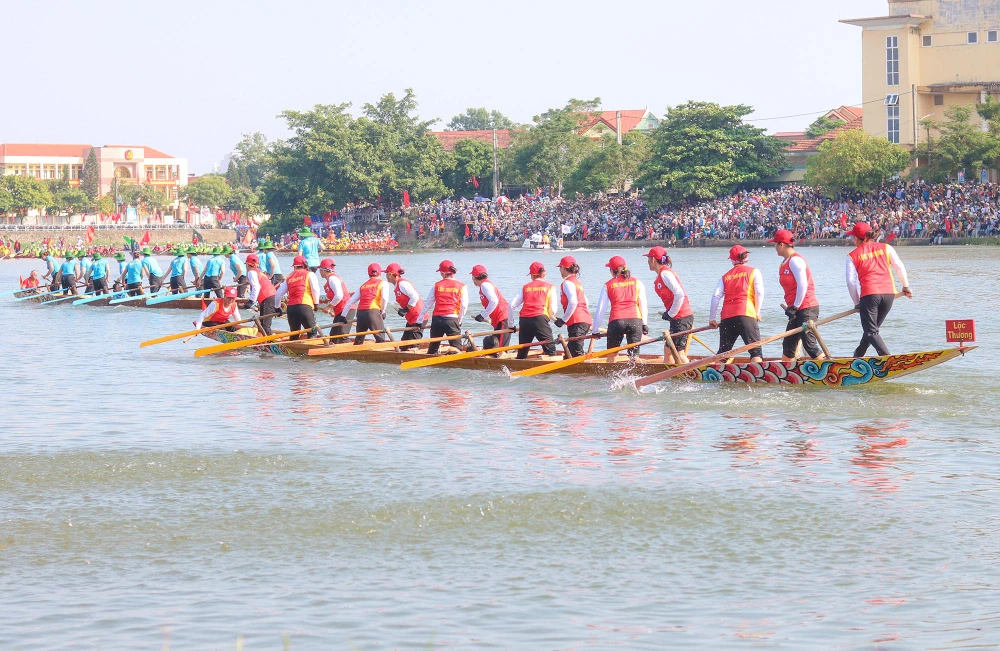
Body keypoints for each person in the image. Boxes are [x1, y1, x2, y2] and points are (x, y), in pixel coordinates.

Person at [845, 221, 912, 357]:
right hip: (889, 295)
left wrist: (857, 302)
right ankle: (858, 356)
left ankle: (888, 359)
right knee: (872, 331)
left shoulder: (852, 256)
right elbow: (899, 266)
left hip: (870, 295)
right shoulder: (886, 247)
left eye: (853, 237)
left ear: (858, 238)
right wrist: (906, 286)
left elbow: (851, 282)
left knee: (871, 332)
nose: (852, 240)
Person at [770, 229, 824, 361]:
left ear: (781, 245)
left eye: (775, 244)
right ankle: (786, 373)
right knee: (788, 345)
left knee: (809, 344)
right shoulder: (784, 263)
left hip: (806, 307)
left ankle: (830, 369)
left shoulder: (795, 261)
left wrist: (795, 306)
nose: (775, 247)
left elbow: (803, 285)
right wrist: (793, 308)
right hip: (796, 309)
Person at [709, 245, 765, 363]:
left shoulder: (725, 276)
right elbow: (759, 292)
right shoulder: (754, 271)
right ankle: (760, 378)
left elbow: (715, 297)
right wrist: (757, 312)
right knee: (755, 351)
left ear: (732, 260)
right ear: (747, 257)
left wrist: (712, 319)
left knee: (723, 353)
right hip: (746, 313)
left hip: (727, 317)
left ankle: (714, 376)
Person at [643, 246, 694, 364]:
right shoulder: (662, 273)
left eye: (648, 259)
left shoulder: (665, 273)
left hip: (682, 317)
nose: (647, 262)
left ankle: (690, 377)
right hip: (679, 317)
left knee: (676, 352)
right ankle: (672, 379)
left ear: (653, 260)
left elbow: (679, 294)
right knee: (669, 350)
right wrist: (669, 313)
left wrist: (670, 313)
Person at [591, 256, 649, 357]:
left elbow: (601, 310)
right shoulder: (637, 282)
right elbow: (643, 304)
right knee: (634, 356)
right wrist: (644, 324)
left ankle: (612, 371)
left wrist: (595, 331)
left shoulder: (607, 285)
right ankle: (636, 370)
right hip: (635, 321)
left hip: (616, 322)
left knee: (611, 355)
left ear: (612, 270)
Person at [417, 260, 468, 354]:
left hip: (437, 320)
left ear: (443, 273)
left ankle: (432, 359)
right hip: (452, 319)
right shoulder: (461, 286)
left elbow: (428, 303)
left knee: (433, 349)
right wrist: (459, 321)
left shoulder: (436, 285)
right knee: (457, 349)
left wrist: (419, 320)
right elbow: (464, 306)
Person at [509, 261, 559, 359]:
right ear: (543, 274)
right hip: (540, 319)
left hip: (524, 320)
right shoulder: (550, 287)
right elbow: (553, 309)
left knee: (522, 351)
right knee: (551, 351)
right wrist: (550, 317)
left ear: (532, 275)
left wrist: (511, 325)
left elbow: (511, 305)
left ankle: (519, 363)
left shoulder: (525, 287)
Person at [341, 262, 393, 344]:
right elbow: (384, 298)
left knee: (359, 340)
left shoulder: (363, 286)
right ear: (380, 273)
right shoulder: (383, 283)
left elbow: (350, 301)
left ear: (368, 274)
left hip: (360, 313)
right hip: (372, 312)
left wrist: (343, 316)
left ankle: (358, 353)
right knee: (380, 338)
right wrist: (383, 311)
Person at [273, 255, 322, 340]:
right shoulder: (310, 274)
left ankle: (293, 348)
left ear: (294, 266)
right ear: (305, 265)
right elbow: (315, 290)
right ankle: (310, 351)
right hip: (304, 306)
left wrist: (277, 308)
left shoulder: (289, 277)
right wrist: (316, 303)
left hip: (291, 308)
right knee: (312, 332)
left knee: (294, 333)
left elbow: (278, 294)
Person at [554, 256, 593, 358]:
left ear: (563, 267)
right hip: (584, 321)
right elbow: (586, 302)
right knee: (569, 355)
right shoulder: (577, 282)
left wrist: (563, 320)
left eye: (560, 268)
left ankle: (584, 372)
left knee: (576, 354)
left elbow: (573, 302)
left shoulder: (567, 283)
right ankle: (570, 373)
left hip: (577, 322)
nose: (559, 271)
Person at [470, 264, 511, 351]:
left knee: (500, 349)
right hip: (499, 319)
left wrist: (482, 315)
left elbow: (494, 301)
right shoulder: (485, 285)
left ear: (474, 277)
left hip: (503, 318)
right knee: (495, 347)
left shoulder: (485, 285)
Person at [385, 262, 424, 350]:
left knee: (413, 345)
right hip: (411, 318)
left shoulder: (402, 284)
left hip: (418, 317)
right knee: (404, 345)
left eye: (386, 274)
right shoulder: (398, 285)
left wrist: (405, 309)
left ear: (391, 274)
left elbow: (415, 297)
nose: (386, 276)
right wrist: (402, 310)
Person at [317, 258, 353, 341]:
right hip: (341, 310)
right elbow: (335, 297)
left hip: (346, 309)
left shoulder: (332, 279)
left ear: (323, 270)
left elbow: (339, 296)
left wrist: (329, 307)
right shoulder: (331, 279)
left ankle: (351, 352)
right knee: (333, 337)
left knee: (342, 336)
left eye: (320, 269)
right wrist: (333, 311)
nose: (319, 272)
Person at [245, 253, 277, 335]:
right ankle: (263, 337)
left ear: (248, 264)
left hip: (267, 297)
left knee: (265, 327)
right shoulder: (260, 272)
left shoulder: (251, 272)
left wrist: (251, 301)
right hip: (272, 296)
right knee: (262, 324)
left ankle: (272, 342)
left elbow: (256, 287)